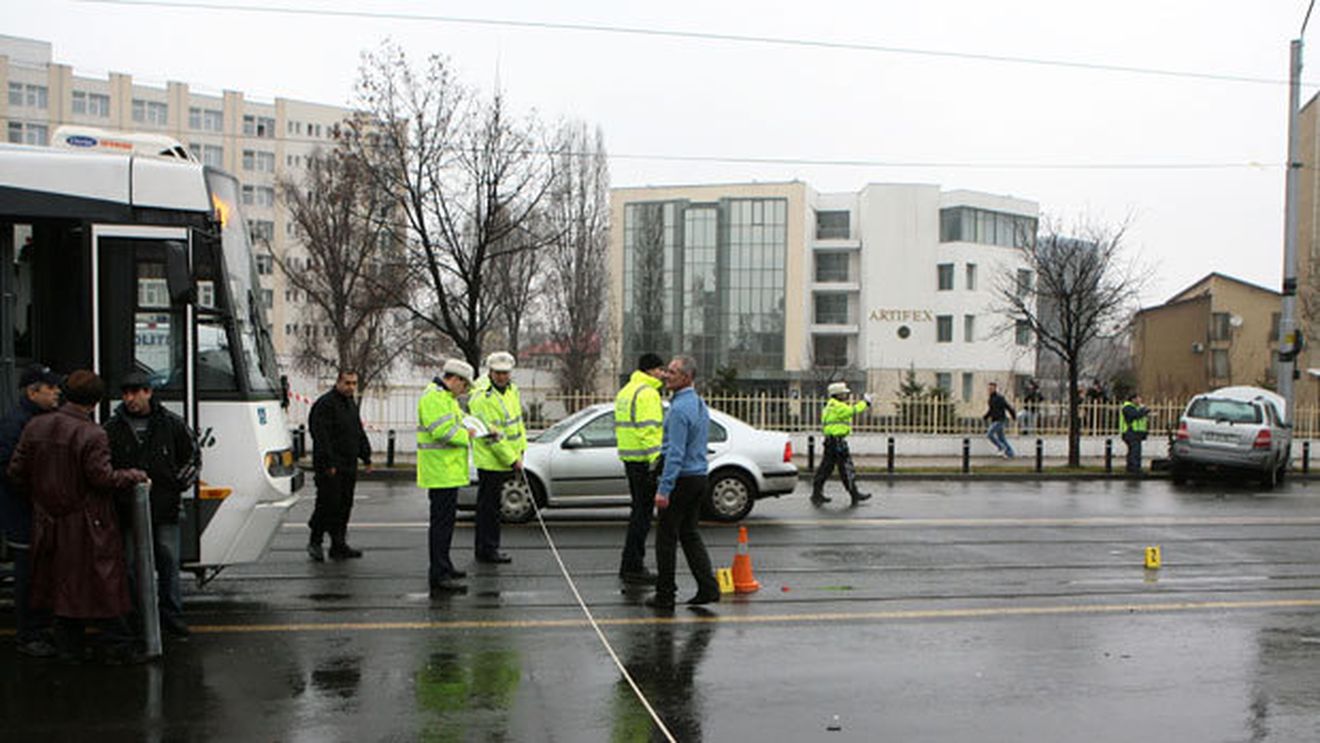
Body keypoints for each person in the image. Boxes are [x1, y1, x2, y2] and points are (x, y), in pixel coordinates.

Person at [6, 370, 148, 664]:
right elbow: (102, 477)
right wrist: (133, 475)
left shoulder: (35, 426)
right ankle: (118, 644)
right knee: (104, 582)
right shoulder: (92, 433)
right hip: (87, 522)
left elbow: (17, 472)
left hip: (48, 520)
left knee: (62, 582)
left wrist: (42, 498)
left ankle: (69, 646)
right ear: (95, 402)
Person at [104, 370, 198, 639]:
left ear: (149, 392)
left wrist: (176, 485)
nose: (131, 399)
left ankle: (171, 616)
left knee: (169, 563)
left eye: (136, 392)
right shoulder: (112, 428)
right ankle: (138, 616)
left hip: (165, 507)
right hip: (127, 511)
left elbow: (192, 457)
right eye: (126, 393)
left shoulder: (172, 424)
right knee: (131, 566)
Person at [645, 355, 719, 610]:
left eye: (673, 373)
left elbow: (675, 453)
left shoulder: (678, 410)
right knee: (689, 533)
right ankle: (708, 587)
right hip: (699, 476)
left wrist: (664, 490)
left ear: (686, 378)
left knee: (666, 538)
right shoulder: (698, 403)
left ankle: (665, 594)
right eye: (667, 371)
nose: (667, 375)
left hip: (682, 479)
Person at [0, 364, 62, 657]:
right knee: (29, 575)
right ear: (32, 391)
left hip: (33, 511)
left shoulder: (36, 419)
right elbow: (10, 471)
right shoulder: (18, 424)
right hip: (24, 514)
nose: (57, 392)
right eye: (50, 388)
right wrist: (41, 495)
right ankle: (29, 634)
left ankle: (38, 628)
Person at [418, 359, 475, 594]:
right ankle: (438, 575)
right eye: (464, 386)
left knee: (446, 525)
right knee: (441, 526)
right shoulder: (433, 397)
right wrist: (469, 436)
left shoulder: (446, 398)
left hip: (448, 472)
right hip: (440, 472)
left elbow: (462, 420)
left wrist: (481, 429)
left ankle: (445, 565)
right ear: (455, 379)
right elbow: (443, 432)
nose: (465, 391)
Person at [307, 371, 372, 561]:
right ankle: (315, 541)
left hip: (348, 464)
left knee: (344, 505)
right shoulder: (325, 404)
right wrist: (329, 462)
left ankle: (338, 545)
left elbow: (357, 432)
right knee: (327, 505)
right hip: (330, 466)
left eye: (354, 383)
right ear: (338, 382)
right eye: (347, 383)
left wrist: (366, 456)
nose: (351, 387)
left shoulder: (350, 404)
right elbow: (321, 436)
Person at [614, 353, 667, 584]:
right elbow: (649, 430)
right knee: (642, 516)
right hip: (645, 462)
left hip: (630, 458)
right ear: (651, 370)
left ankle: (630, 563)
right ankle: (633, 566)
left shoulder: (626, 390)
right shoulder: (647, 393)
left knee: (638, 513)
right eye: (660, 369)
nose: (663, 374)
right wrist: (658, 461)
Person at [470, 351, 525, 565]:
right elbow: (492, 437)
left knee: (492, 507)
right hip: (491, 461)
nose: (502, 377)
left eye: (505, 373)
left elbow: (517, 424)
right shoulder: (482, 397)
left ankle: (487, 546)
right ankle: (487, 548)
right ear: (490, 372)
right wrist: (512, 459)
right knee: (489, 508)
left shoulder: (513, 390)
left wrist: (521, 450)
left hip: (508, 457)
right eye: (498, 373)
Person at [810, 381, 873, 506]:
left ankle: (816, 493)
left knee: (826, 468)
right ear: (837, 394)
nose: (846, 396)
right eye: (844, 393)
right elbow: (852, 410)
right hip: (837, 443)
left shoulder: (829, 406)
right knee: (846, 468)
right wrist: (865, 403)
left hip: (831, 442)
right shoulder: (838, 406)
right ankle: (854, 494)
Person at [1120, 393, 1151, 475]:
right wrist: (1143, 410)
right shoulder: (1127, 407)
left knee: (1134, 451)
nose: (1140, 400)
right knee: (1135, 451)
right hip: (1130, 432)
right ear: (1133, 399)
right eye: (1138, 398)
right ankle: (1135, 468)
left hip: (1135, 433)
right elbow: (1135, 415)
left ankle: (1131, 468)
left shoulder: (1135, 408)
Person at [984, 382, 1017, 458]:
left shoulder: (999, 398)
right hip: (995, 420)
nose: (989, 390)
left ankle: (1001, 447)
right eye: (989, 389)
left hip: (1001, 420)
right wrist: (986, 416)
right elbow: (991, 410)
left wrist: (1013, 415)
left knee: (989, 434)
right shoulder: (990, 399)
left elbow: (1007, 406)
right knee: (1002, 438)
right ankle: (1010, 453)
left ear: (995, 389)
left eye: (991, 388)